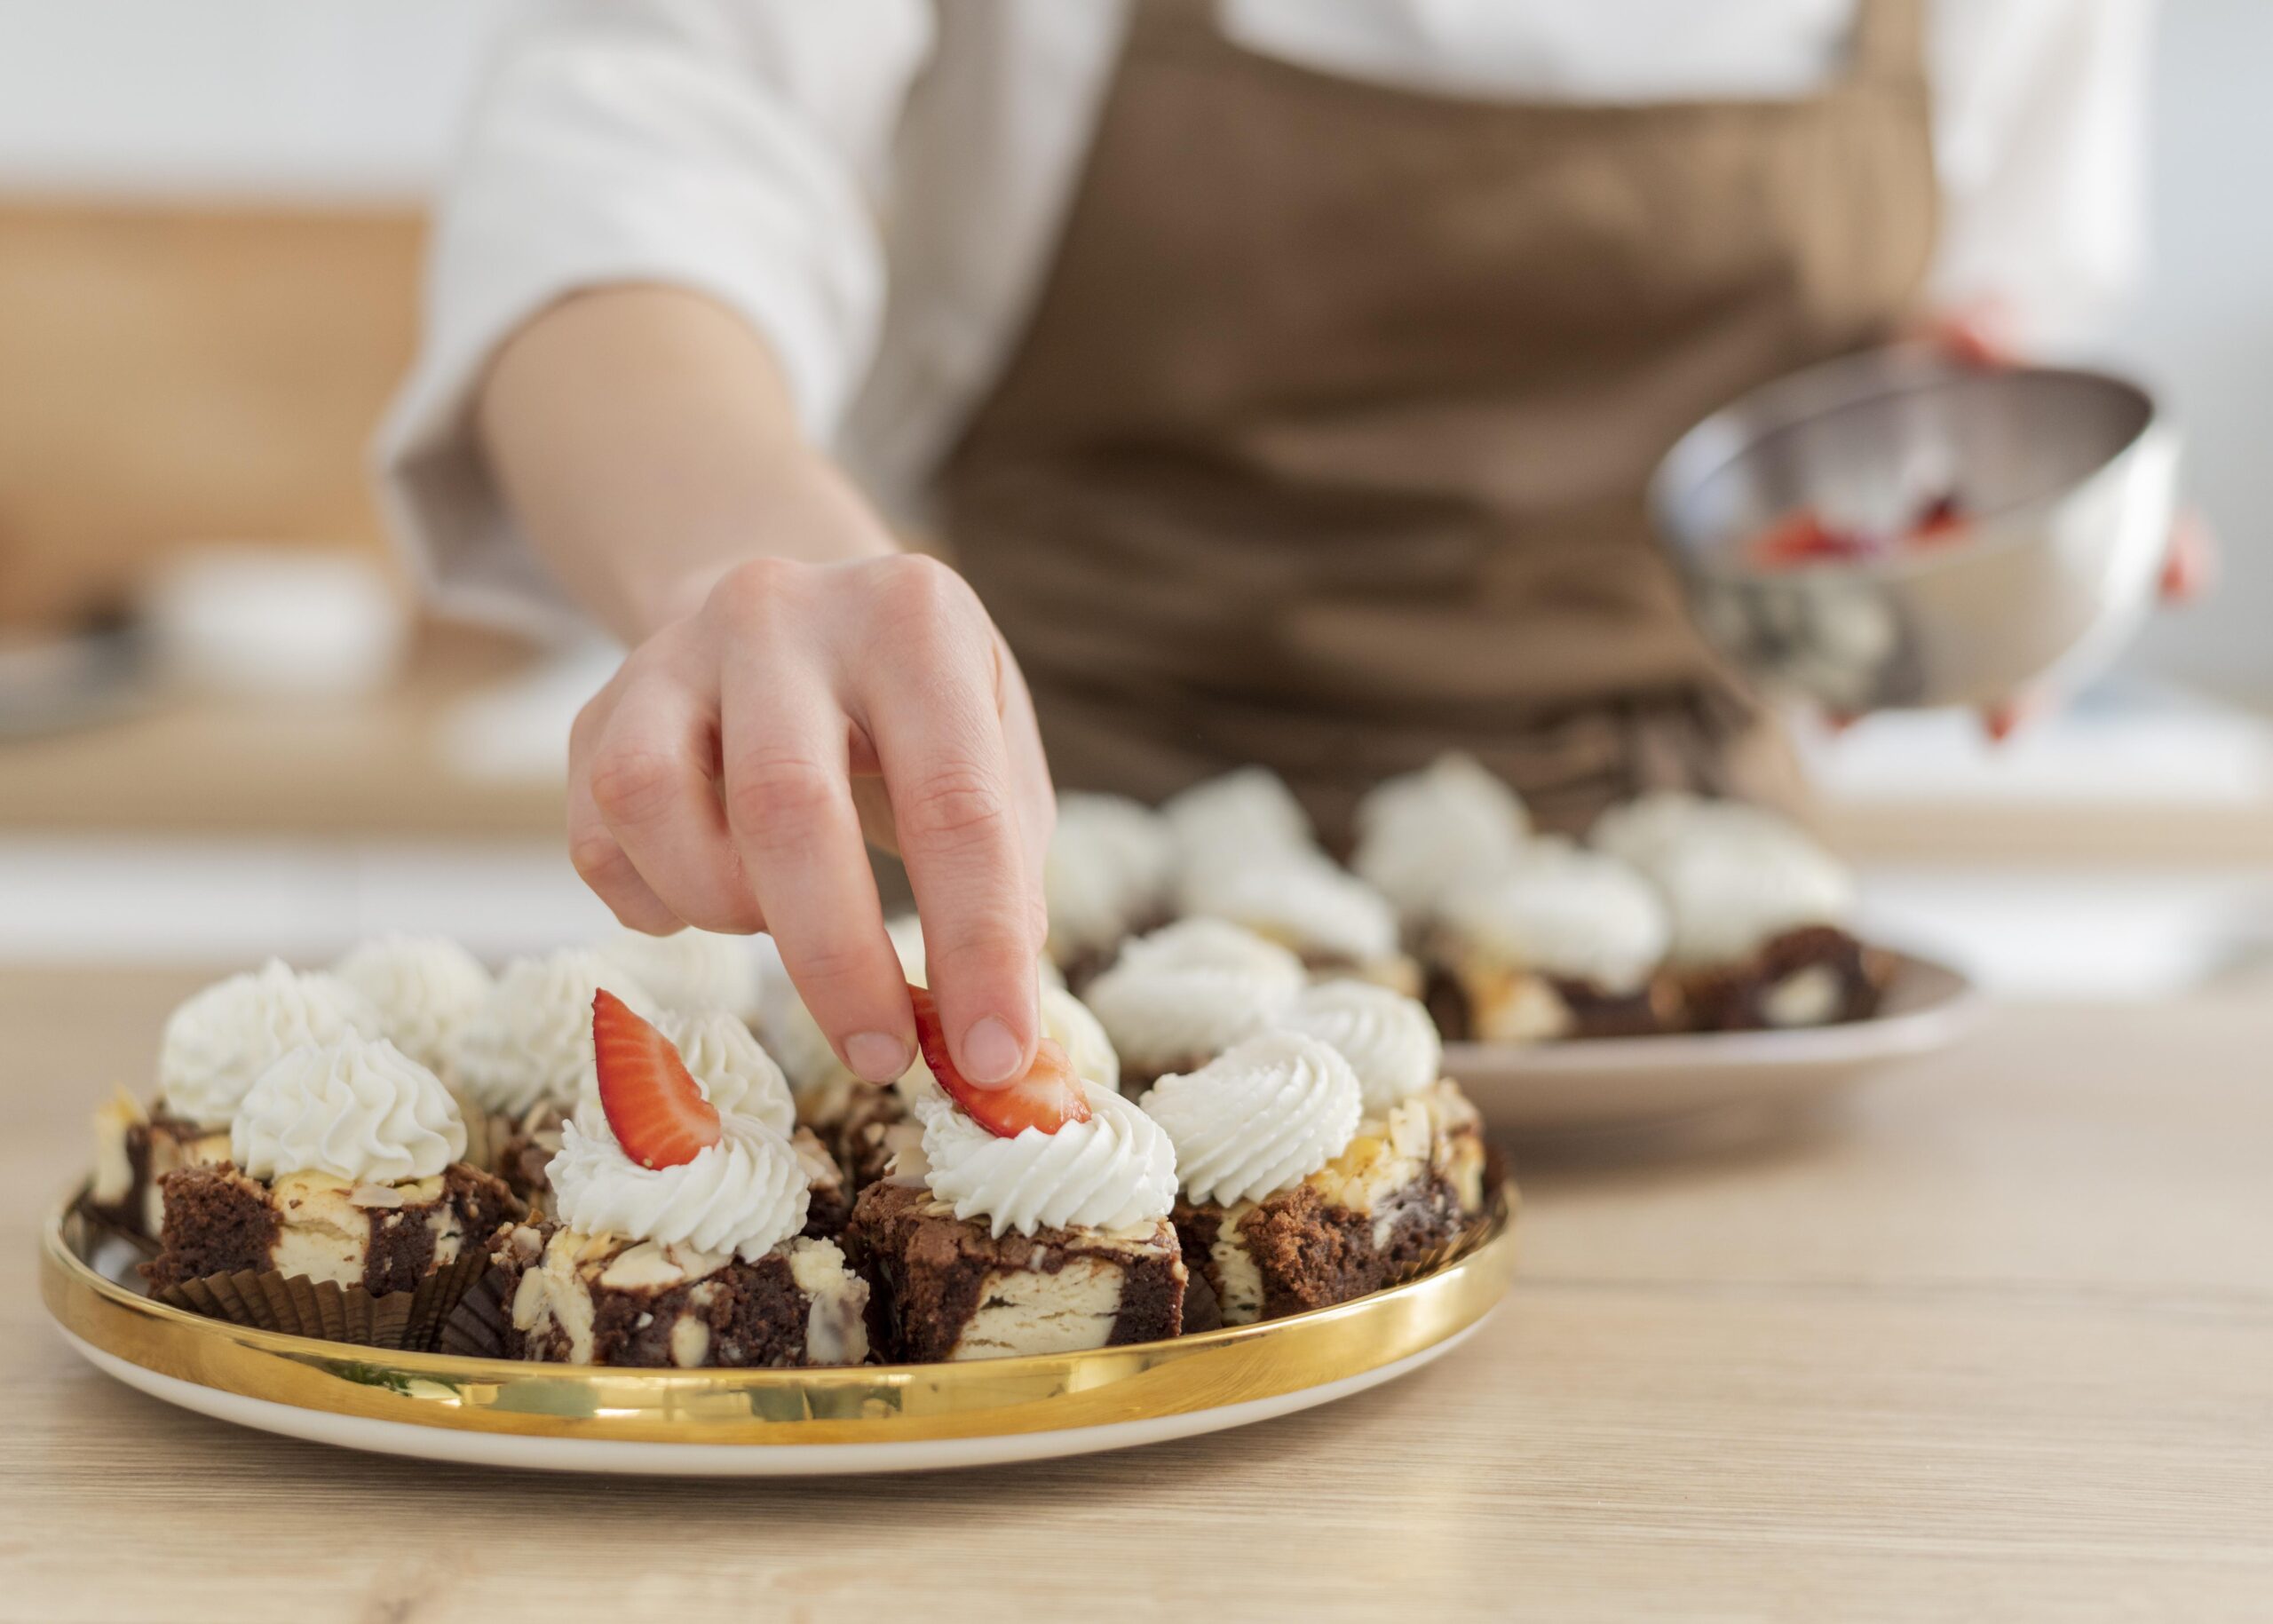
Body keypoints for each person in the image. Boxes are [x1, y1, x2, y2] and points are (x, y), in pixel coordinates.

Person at [382, 0, 2181, 1096]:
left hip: (1703, 974)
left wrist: (1948, 508)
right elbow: (644, 147)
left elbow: (1967, 312)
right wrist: (735, 562)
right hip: (1055, 910)